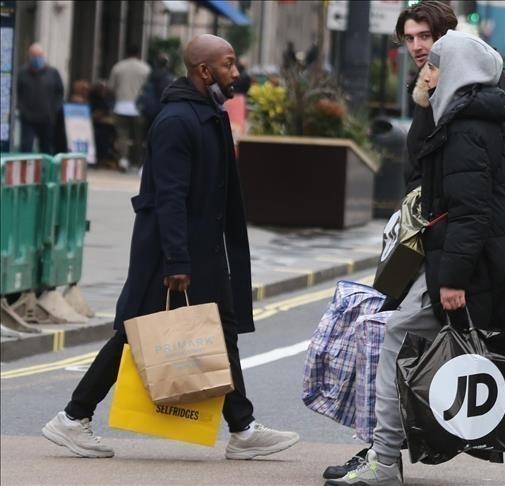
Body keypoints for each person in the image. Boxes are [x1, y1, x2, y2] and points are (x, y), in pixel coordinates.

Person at [322, 2, 505, 483]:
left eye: (434, 57)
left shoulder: (465, 124)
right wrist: (425, 105)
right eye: (411, 41)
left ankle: (383, 461)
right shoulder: (467, 108)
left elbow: (468, 207)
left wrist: (452, 278)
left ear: (454, 64)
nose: (424, 65)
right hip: (490, 254)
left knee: (399, 336)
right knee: (481, 352)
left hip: (478, 259)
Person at [41, 34, 300, 461]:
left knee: (222, 330)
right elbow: (169, 197)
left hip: (202, 248)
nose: (237, 72)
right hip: (172, 253)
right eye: (229, 64)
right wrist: (177, 259)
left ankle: (243, 428)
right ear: (204, 71)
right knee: (133, 334)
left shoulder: (206, 114)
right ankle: (73, 418)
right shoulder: (177, 121)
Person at [16, 42, 64, 154]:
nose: (37, 59)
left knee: (46, 149)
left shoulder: (53, 73)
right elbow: (17, 92)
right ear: (30, 57)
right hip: (28, 119)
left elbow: (59, 93)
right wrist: (21, 108)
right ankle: (26, 171)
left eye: (40, 56)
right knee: (26, 148)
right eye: (34, 56)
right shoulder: (22, 73)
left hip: (47, 119)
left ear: (43, 56)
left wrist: (53, 110)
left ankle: (45, 171)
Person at [108, 45, 150, 171]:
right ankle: (138, 162)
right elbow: (148, 89)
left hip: (121, 106)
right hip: (138, 108)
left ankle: (123, 160)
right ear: (138, 54)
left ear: (126, 53)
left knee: (122, 135)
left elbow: (111, 87)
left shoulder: (118, 67)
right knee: (139, 136)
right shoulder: (145, 68)